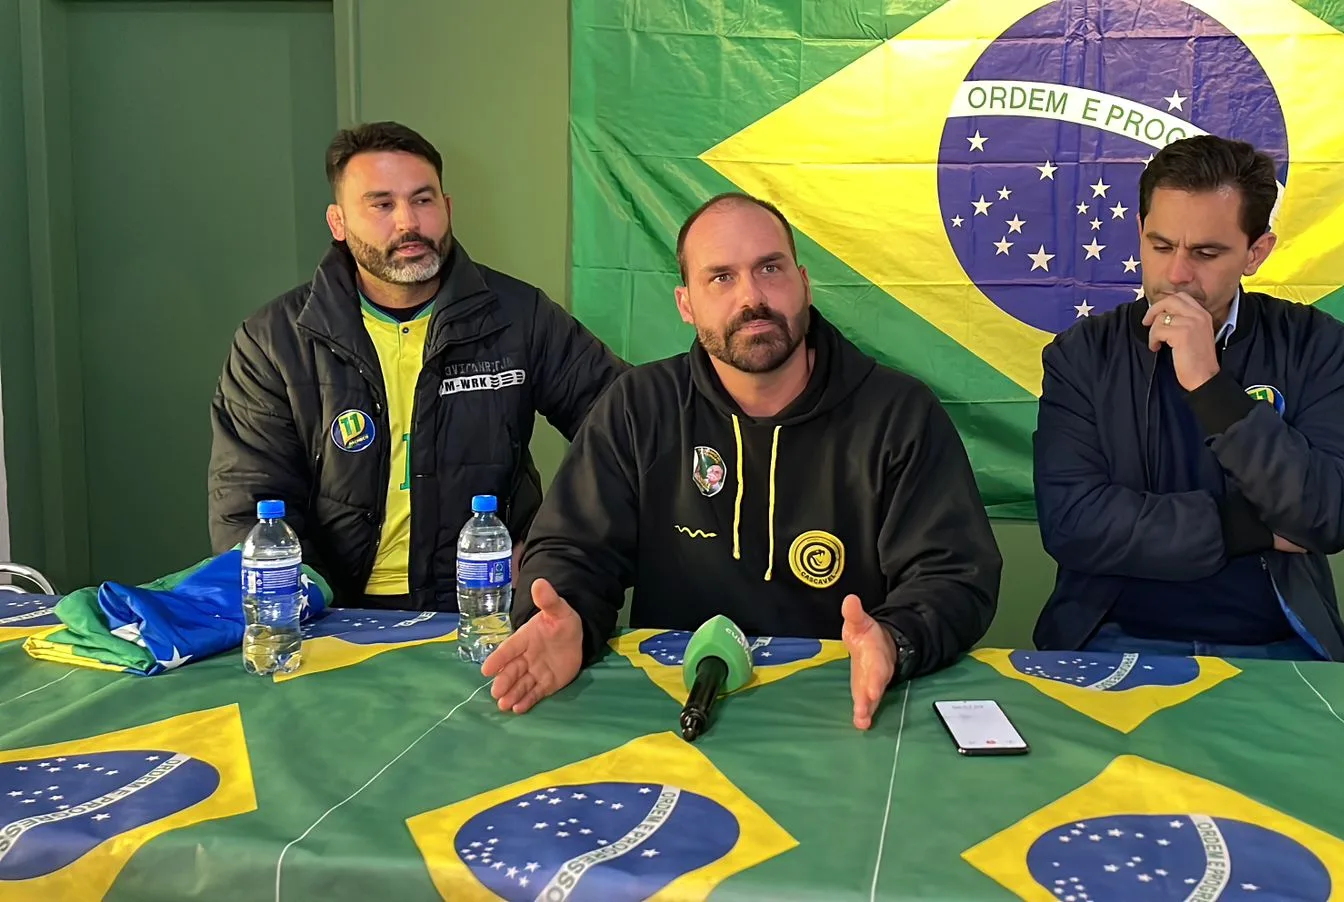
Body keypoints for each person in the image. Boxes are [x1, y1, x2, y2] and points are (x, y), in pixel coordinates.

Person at [480, 192, 1002, 728]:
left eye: (770, 269)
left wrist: (895, 639)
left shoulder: (898, 412)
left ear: (802, 281)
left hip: (847, 700)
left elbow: (954, 574)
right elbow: (573, 549)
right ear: (686, 304)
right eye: (721, 278)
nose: (752, 297)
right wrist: (568, 619)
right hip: (669, 703)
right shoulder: (639, 406)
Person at [207, 121, 627, 610]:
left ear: (446, 209)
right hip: (329, 614)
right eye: (381, 204)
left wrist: (550, 552)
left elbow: (626, 433)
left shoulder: (520, 316)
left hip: (485, 603)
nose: (408, 222)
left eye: (423, 200)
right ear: (338, 223)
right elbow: (248, 505)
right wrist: (305, 612)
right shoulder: (274, 341)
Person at [1031, 135, 1344, 661]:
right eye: (1160, 245)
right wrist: (1248, 529)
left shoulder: (1314, 344)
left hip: (1275, 643)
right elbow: (1073, 523)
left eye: (1206, 253)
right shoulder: (1081, 355)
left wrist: (1211, 388)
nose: (1176, 275)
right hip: (1109, 638)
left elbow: (1332, 514)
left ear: (1256, 252)